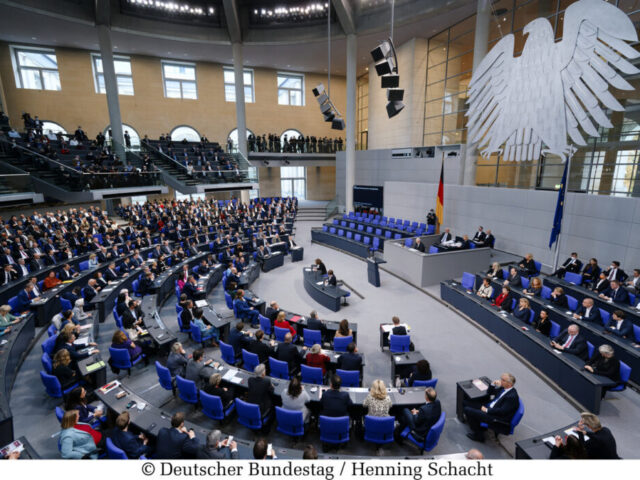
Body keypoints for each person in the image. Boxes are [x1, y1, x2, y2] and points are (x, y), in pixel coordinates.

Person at [463, 373, 519, 443]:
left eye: (503, 380)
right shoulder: (503, 388)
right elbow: (490, 392)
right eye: (501, 379)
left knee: (467, 410)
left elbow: (502, 411)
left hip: (495, 417)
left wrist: (487, 410)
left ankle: (479, 435)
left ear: (509, 384)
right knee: (466, 402)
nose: (500, 381)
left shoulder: (512, 397)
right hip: (490, 407)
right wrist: (492, 384)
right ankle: (478, 426)